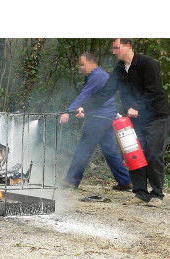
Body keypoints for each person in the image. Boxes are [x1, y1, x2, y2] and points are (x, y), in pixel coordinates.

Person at [77, 39, 170, 207]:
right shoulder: (119, 69)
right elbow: (105, 93)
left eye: (117, 48)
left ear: (128, 46)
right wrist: (85, 107)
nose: (114, 52)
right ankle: (141, 193)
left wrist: (137, 106)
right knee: (133, 153)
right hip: (135, 119)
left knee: (152, 154)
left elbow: (154, 90)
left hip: (157, 117)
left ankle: (157, 194)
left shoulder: (148, 64)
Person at [60, 53, 132, 190]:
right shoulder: (100, 75)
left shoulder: (97, 76)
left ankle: (71, 181)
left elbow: (84, 95)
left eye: (82, 64)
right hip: (107, 118)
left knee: (83, 148)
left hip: (99, 119)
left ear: (92, 62)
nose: (80, 67)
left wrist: (68, 111)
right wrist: (83, 110)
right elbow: (90, 98)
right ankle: (125, 181)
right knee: (109, 151)